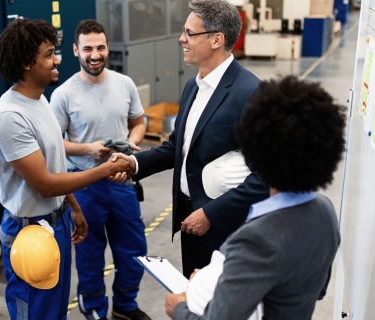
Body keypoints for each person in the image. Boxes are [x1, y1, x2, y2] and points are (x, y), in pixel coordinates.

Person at [165, 75, 345, 319]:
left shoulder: (255, 239)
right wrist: (219, 280)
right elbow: (316, 289)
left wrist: (179, 309)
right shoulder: (326, 211)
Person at [0, 18, 132, 320]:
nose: (57, 60)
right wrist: (105, 169)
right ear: (28, 62)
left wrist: (74, 208)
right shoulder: (10, 116)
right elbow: (45, 184)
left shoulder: (39, 99)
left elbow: (54, 166)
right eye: (49, 54)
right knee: (37, 313)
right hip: (29, 231)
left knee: (55, 312)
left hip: (56, 222)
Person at [113, 0, 269, 278]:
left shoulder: (251, 93)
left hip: (226, 226)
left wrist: (211, 214)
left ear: (216, 40)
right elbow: (178, 146)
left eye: (189, 33)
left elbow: (266, 177)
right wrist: (134, 164)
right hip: (189, 218)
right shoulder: (192, 87)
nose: (181, 38)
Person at [50, 19, 150, 320]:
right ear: (75, 50)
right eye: (88, 48)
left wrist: (131, 144)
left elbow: (139, 123)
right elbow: (54, 144)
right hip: (85, 187)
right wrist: (88, 149)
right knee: (90, 256)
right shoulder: (64, 94)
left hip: (121, 181)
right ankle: (94, 310)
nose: (95, 54)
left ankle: (125, 305)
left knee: (133, 251)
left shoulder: (124, 84)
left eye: (101, 47)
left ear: (108, 48)